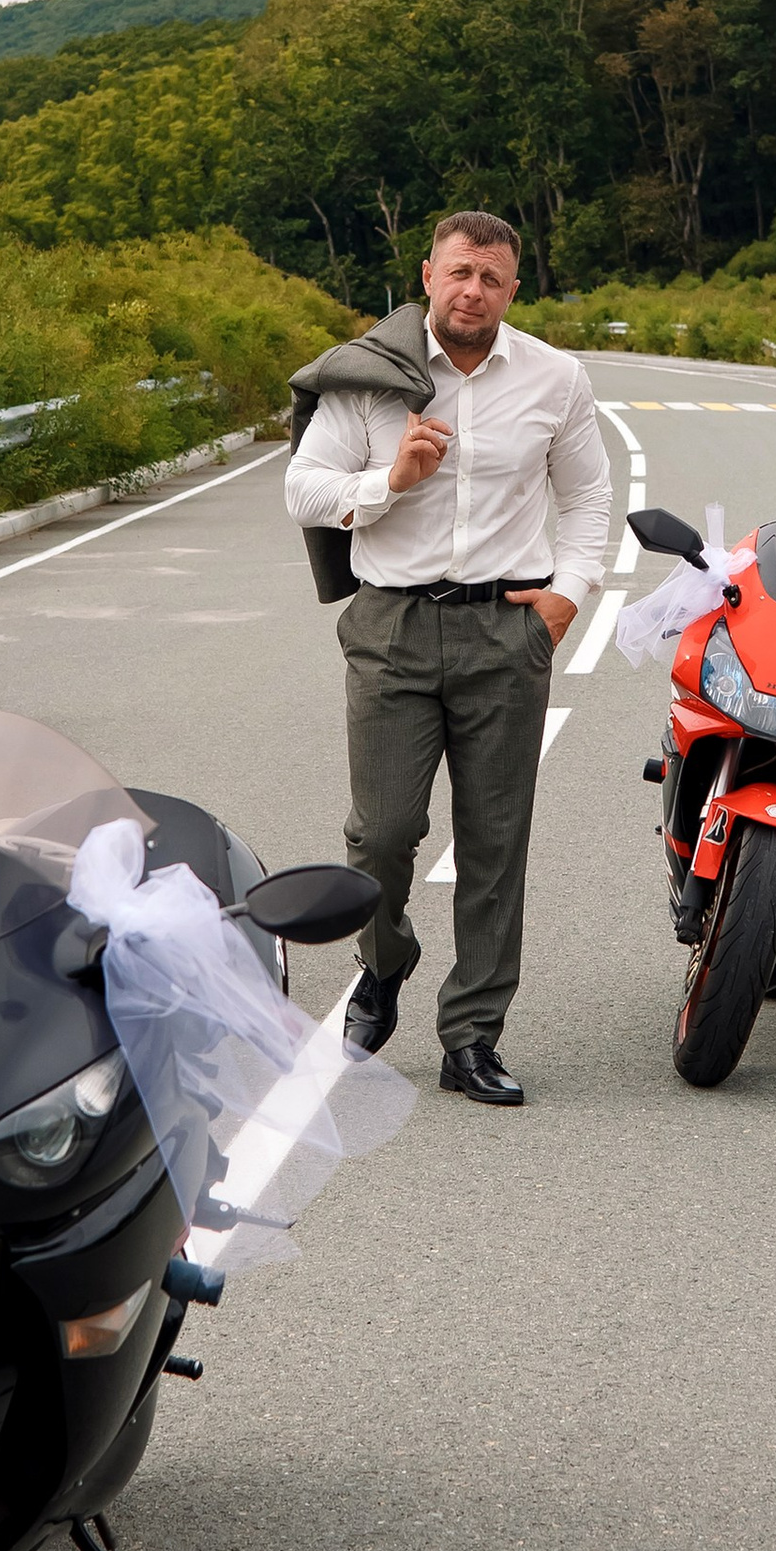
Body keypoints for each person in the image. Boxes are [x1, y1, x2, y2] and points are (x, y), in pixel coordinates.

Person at [285, 210, 611, 1107]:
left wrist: (565, 599)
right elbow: (302, 489)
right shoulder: (371, 377)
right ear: (427, 275)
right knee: (381, 836)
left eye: (492, 279)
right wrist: (388, 483)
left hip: (507, 632)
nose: (473, 291)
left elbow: (588, 501)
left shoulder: (556, 378)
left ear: (513, 290)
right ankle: (383, 960)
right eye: (459, 272)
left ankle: (471, 1034)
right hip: (391, 628)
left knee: (495, 845)